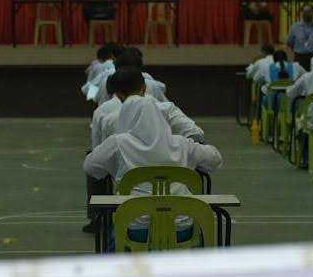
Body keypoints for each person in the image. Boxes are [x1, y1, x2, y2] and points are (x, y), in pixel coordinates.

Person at [83, 96, 223, 249]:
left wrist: (113, 168)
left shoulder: (118, 143)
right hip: (182, 228)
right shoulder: (181, 143)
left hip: (133, 228)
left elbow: (90, 167)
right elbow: (216, 160)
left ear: (125, 118)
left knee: (113, 235)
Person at [92, 68, 204, 148]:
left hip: (128, 178)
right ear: (145, 88)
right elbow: (196, 135)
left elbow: (89, 92)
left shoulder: (106, 115)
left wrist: (96, 99)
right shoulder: (165, 106)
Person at [286, 3, 313, 71]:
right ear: (301, 12)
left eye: (309, 11)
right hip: (300, 58)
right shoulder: (295, 27)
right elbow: (290, 43)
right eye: (304, 11)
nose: (306, 13)